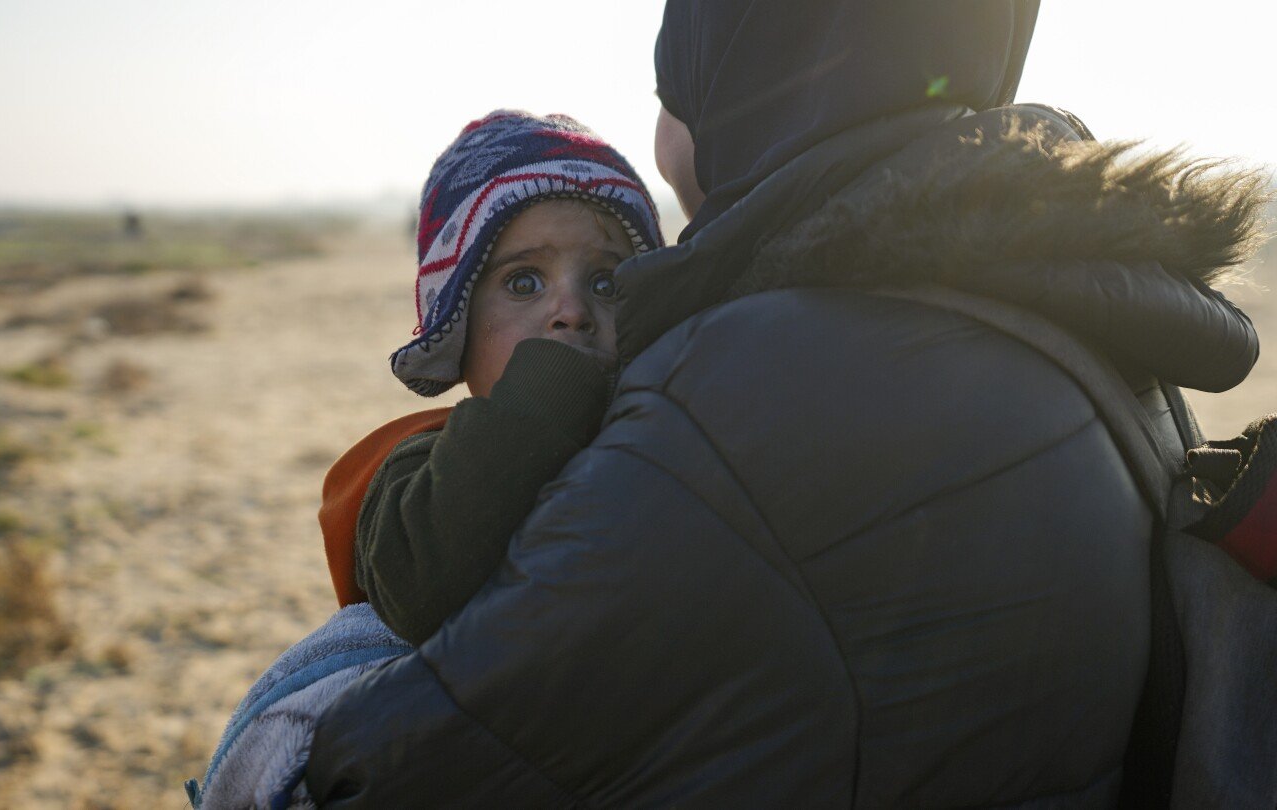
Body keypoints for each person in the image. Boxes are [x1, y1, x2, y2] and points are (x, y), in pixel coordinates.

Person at [300, 0, 1265, 805]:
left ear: (757, 81)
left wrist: (281, 727)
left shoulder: (751, 379)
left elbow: (393, 768)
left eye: (675, 95)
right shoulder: (1074, 305)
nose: (666, 140)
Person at [185, 111, 663, 808]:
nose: (571, 311)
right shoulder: (414, 464)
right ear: (458, 328)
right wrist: (546, 395)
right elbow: (423, 588)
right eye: (524, 283)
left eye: (607, 284)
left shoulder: (664, 435)